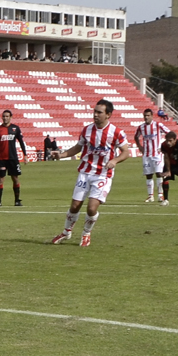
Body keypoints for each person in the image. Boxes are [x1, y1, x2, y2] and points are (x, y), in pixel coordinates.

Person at [49, 98, 132, 246]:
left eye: (99, 112)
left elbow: (126, 152)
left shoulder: (116, 132)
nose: (95, 115)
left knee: (92, 207)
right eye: (94, 111)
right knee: (75, 206)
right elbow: (78, 147)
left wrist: (115, 161)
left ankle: (86, 233)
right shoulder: (87, 130)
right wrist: (61, 155)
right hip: (85, 173)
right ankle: (66, 232)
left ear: (108, 115)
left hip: (103, 174)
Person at [0, 109, 28, 207]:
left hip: (13, 158)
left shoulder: (15, 128)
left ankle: (17, 200)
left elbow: (21, 142)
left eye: (7, 116)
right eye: (4, 116)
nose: (5, 118)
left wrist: (25, 155)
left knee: (15, 178)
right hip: (2, 159)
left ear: (11, 117)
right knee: (1, 179)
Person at [134, 108, 169, 202]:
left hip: (157, 154)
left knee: (159, 174)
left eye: (148, 115)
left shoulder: (158, 125)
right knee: (148, 175)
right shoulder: (141, 127)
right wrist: (140, 147)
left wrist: (164, 145)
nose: (146, 117)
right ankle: (150, 196)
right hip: (146, 155)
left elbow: (169, 134)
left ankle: (160, 195)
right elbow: (136, 137)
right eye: (145, 115)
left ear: (152, 116)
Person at [159, 129, 178, 206]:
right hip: (170, 161)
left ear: (175, 140)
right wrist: (168, 170)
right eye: (167, 140)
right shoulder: (164, 145)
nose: (168, 143)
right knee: (165, 177)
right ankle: (165, 200)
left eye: (170, 141)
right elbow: (166, 157)